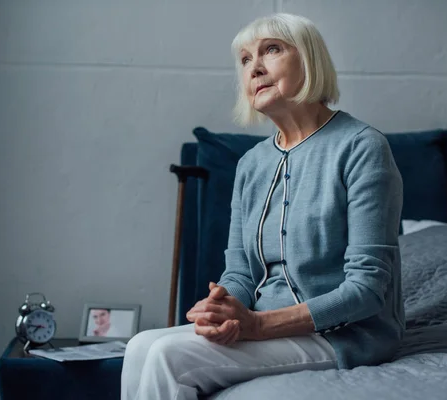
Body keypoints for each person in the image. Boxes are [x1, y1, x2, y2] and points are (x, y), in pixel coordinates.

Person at [121, 13, 404, 400]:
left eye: (271, 50)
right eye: (244, 59)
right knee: (139, 346)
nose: (255, 67)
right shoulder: (251, 163)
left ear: (310, 60)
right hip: (260, 324)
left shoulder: (362, 147)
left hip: (344, 334)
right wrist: (221, 307)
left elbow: (368, 289)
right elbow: (239, 271)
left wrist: (257, 324)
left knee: (168, 358)